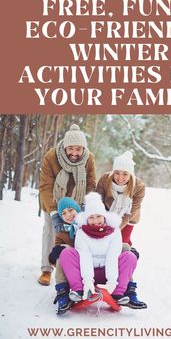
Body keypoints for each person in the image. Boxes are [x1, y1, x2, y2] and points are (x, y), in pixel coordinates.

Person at [38, 124, 96, 286]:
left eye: (78, 149)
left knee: (77, 235)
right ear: (64, 147)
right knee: (51, 231)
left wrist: (87, 206)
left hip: (77, 203)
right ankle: (46, 269)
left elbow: (91, 183)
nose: (74, 153)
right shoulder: (51, 157)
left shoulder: (89, 158)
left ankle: (72, 269)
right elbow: (45, 186)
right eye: (71, 149)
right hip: (54, 201)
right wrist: (55, 213)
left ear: (83, 149)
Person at [59, 192, 137, 309]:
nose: (95, 221)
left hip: (108, 272)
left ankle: (118, 293)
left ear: (104, 216)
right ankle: (78, 291)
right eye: (91, 217)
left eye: (98, 216)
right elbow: (84, 256)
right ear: (86, 218)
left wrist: (111, 282)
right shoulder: (81, 233)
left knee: (130, 256)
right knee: (66, 253)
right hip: (88, 273)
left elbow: (113, 255)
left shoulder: (114, 231)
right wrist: (88, 281)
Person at [96, 151, 147, 309]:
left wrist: (114, 230)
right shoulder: (105, 179)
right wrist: (102, 226)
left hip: (127, 219)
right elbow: (97, 204)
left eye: (125, 174)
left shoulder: (138, 187)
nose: (120, 177)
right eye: (117, 173)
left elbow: (129, 213)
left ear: (130, 174)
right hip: (104, 216)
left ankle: (129, 290)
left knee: (124, 247)